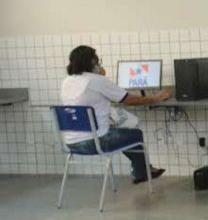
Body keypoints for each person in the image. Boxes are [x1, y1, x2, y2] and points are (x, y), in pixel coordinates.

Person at [60, 46, 170, 183]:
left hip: (70, 143)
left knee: (120, 131)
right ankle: (141, 172)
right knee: (135, 134)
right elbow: (130, 100)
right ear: (92, 62)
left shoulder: (67, 81)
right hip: (95, 142)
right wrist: (156, 98)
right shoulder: (97, 80)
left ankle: (142, 169)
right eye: (97, 60)